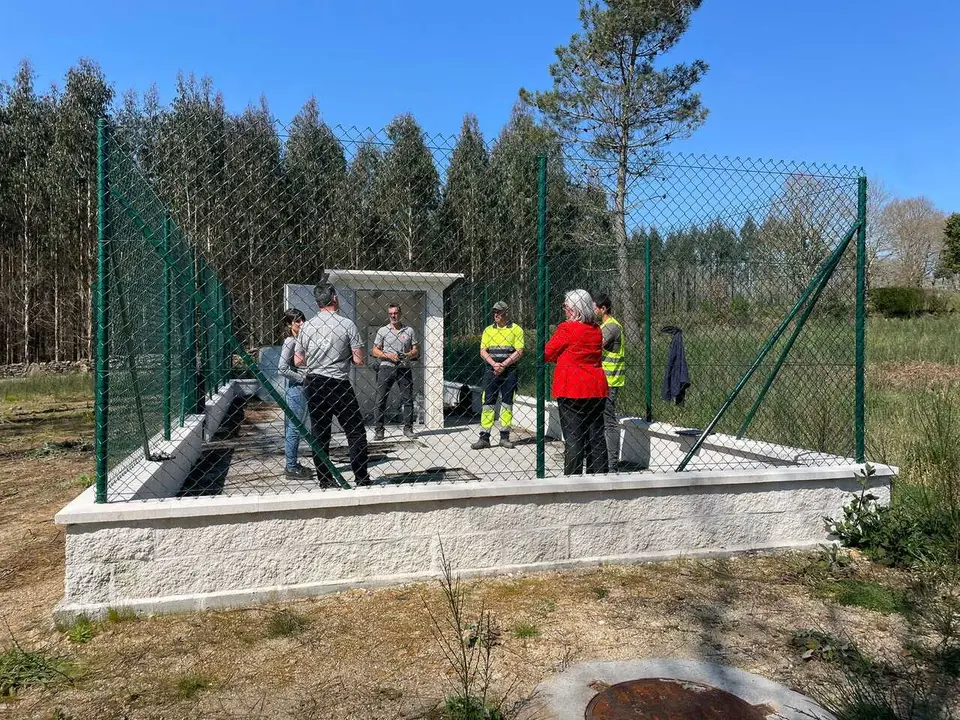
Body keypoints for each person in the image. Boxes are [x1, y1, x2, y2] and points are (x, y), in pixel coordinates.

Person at [295, 283, 370, 488]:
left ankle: (325, 480)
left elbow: (298, 360)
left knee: (320, 433)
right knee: (355, 431)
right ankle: (361, 478)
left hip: (314, 382)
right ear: (335, 298)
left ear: (317, 302)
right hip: (338, 383)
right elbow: (359, 359)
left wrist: (316, 358)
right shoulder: (346, 324)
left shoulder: (307, 326)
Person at [545, 289, 609, 475]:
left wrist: (561, 358)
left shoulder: (567, 328)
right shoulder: (596, 329)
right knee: (596, 436)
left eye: (565, 307)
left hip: (571, 388)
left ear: (573, 309)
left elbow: (547, 353)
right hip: (595, 388)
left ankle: (573, 479)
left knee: (574, 437)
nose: (564, 310)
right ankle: (599, 476)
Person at [471, 300, 524, 450]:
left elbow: (519, 351)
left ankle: (504, 437)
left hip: (510, 370)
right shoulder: (488, 330)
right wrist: (494, 364)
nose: (496, 315)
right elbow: (483, 351)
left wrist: (504, 364)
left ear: (506, 313)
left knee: (507, 402)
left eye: (499, 312)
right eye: (494, 312)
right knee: (488, 402)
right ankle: (484, 437)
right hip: (491, 370)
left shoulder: (516, 329)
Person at [371, 304, 420, 441]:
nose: (393, 316)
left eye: (395, 313)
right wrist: (388, 356)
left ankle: (408, 429)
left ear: (400, 314)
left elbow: (416, 350)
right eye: (391, 313)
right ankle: (379, 431)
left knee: (408, 399)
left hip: (404, 368)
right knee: (380, 399)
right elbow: (374, 351)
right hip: (386, 367)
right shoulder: (382, 331)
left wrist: (408, 355)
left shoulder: (409, 330)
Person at [277, 308, 311, 479]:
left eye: (302, 319)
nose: (301, 323)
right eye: (297, 321)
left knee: (296, 427)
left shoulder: (301, 339)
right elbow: (282, 368)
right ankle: (290, 467)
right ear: (289, 324)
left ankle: (293, 463)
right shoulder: (290, 341)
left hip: (301, 388)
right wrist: (302, 378)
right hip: (296, 389)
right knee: (294, 428)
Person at [593, 292, 625, 471]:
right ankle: (603, 461)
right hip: (601, 380)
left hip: (610, 381)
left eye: (594, 308)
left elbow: (594, 346)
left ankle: (612, 465)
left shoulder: (612, 327)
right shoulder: (603, 326)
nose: (592, 311)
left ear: (603, 308)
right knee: (600, 422)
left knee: (609, 423)